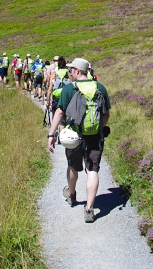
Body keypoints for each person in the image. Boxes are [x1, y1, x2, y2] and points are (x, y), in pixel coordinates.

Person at [47, 57, 110, 223]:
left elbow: (59, 113)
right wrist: (98, 128)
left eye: (71, 70)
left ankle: (72, 194)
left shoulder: (69, 90)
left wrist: (51, 134)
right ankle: (89, 209)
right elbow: (106, 114)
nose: (69, 73)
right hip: (95, 136)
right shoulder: (100, 88)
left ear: (77, 71)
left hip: (74, 135)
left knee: (73, 166)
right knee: (93, 170)